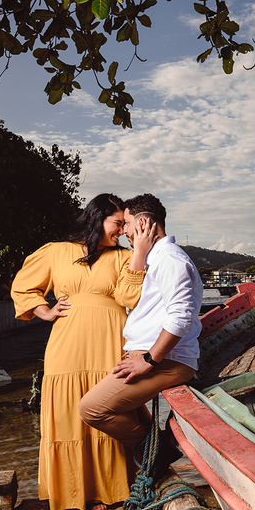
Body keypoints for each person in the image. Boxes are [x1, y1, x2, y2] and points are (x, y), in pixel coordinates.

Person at [11, 193, 158, 510]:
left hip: (111, 344)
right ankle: (74, 494)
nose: (120, 230)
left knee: (104, 411)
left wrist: (139, 255)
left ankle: (112, 490)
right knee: (67, 417)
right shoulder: (55, 252)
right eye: (116, 223)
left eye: (123, 225)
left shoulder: (124, 257)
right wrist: (45, 312)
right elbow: (23, 287)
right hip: (67, 347)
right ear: (96, 218)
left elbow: (129, 297)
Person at [78, 193, 202, 481]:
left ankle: (158, 451)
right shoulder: (155, 258)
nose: (124, 232)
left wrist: (148, 359)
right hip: (156, 358)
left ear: (144, 222)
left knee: (92, 409)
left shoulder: (170, 259)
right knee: (104, 408)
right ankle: (158, 450)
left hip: (164, 361)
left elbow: (180, 316)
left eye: (128, 224)